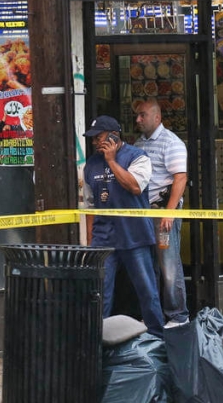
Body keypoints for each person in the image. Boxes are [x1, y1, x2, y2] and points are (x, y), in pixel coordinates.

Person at [83, 115, 165, 337]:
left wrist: (111, 161)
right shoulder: (90, 165)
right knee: (100, 292)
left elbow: (135, 186)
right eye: (92, 139)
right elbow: (90, 206)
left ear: (113, 136)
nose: (94, 143)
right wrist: (91, 243)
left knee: (147, 290)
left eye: (98, 138)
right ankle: (98, 339)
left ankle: (157, 337)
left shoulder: (138, 157)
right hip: (103, 239)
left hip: (134, 235)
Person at [134, 99, 190, 326]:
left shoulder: (171, 143)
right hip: (144, 214)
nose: (138, 119)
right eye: (137, 115)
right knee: (149, 265)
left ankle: (178, 315)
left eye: (142, 115)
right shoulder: (139, 144)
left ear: (157, 118)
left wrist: (169, 213)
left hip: (162, 214)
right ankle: (154, 316)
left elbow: (180, 178)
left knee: (168, 264)